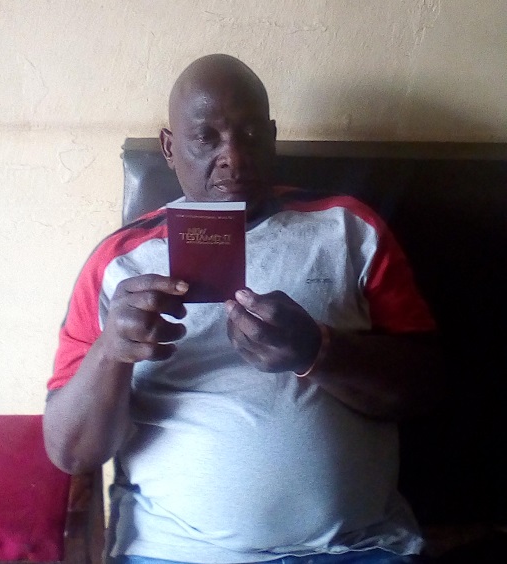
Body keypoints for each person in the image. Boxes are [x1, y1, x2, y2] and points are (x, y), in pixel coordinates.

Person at [44, 54, 443, 564]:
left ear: (272, 137)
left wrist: (317, 351)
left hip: (357, 548)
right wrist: (111, 353)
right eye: (205, 138)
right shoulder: (120, 263)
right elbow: (71, 453)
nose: (233, 157)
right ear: (170, 147)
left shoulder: (348, 230)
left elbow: (426, 387)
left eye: (251, 134)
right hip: (178, 554)